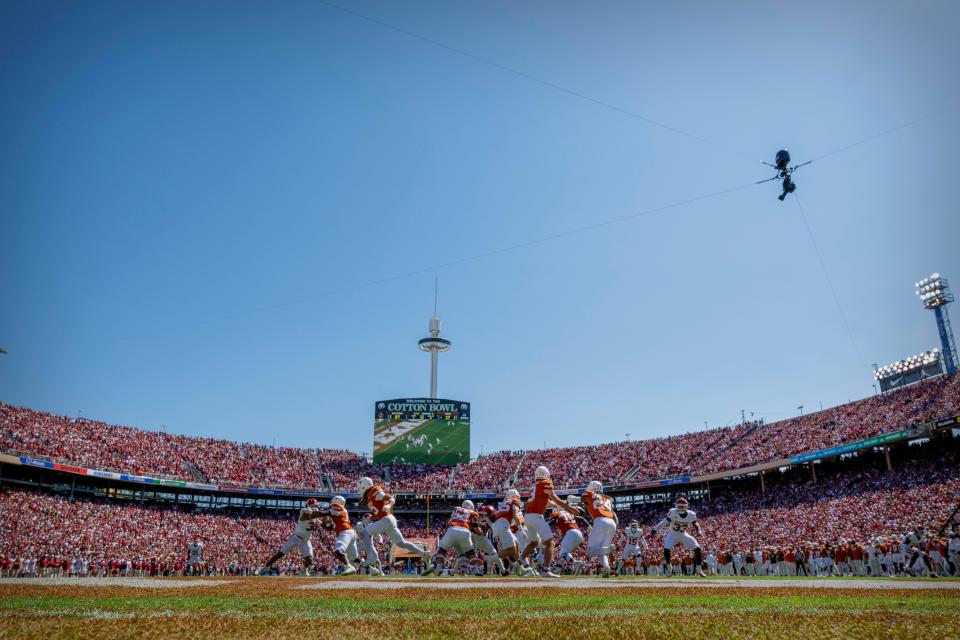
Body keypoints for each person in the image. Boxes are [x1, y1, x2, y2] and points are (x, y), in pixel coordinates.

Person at [356, 477, 431, 574]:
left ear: (364, 486)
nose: (358, 490)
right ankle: (423, 553)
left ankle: (371, 558)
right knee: (401, 543)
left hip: (386, 520)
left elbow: (390, 498)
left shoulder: (374, 490)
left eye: (359, 488)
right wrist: (371, 518)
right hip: (387, 521)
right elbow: (376, 512)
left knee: (365, 532)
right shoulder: (369, 496)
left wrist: (389, 505)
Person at [520, 466, 580, 578]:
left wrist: (562, 506)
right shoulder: (546, 483)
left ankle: (521, 560)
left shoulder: (534, 487)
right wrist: (568, 507)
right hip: (536, 517)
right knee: (550, 543)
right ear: (547, 475)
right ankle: (546, 570)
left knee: (534, 542)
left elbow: (548, 502)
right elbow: (555, 498)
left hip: (527, 517)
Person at [257, 498, 322, 576]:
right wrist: (326, 513)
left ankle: (304, 569)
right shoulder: (303, 511)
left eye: (316, 506)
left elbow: (321, 523)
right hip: (296, 537)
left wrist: (329, 525)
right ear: (308, 506)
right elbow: (311, 513)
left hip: (306, 540)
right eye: (313, 506)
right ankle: (263, 567)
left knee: (310, 560)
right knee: (279, 554)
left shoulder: (315, 517)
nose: (315, 507)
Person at [650, 497, 706, 577]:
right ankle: (669, 569)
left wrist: (699, 531)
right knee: (666, 549)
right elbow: (663, 523)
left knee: (697, 548)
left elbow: (695, 524)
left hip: (683, 534)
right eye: (679, 506)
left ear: (686, 506)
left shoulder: (691, 514)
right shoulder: (672, 512)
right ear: (676, 506)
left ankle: (699, 569)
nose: (681, 508)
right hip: (672, 534)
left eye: (682, 506)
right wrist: (653, 532)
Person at [424, 500, 477, 576]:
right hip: (464, 532)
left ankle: (438, 567)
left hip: (452, 530)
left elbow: (448, 522)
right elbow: (475, 527)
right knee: (468, 553)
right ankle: (473, 570)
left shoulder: (456, 509)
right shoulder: (472, 513)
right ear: (471, 507)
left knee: (442, 550)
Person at [581, 480, 618, 577]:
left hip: (600, 520)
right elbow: (615, 518)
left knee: (590, 552)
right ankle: (605, 567)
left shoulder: (589, 493)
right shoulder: (607, 499)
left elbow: (583, 499)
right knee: (601, 550)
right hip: (612, 523)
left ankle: (609, 549)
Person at [314, 495, 358, 575]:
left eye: (333, 500)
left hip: (345, 532)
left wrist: (315, 513)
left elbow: (326, 512)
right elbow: (330, 527)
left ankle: (348, 566)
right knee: (354, 558)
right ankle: (372, 568)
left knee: (338, 551)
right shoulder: (340, 511)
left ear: (337, 501)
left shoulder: (337, 506)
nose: (332, 502)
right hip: (350, 532)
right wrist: (321, 522)